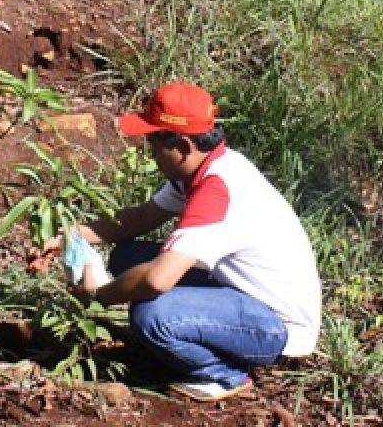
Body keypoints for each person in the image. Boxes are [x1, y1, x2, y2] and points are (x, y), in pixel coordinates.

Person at [60, 82, 321, 402]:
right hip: (244, 293)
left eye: (154, 142)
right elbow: (141, 218)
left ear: (182, 147)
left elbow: (157, 280)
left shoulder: (217, 192)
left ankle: (224, 375)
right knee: (127, 256)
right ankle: (198, 340)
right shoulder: (204, 168)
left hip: (277, 326)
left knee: (154, 314)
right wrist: (68, 234)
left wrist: (99, 294)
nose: (150, 151)